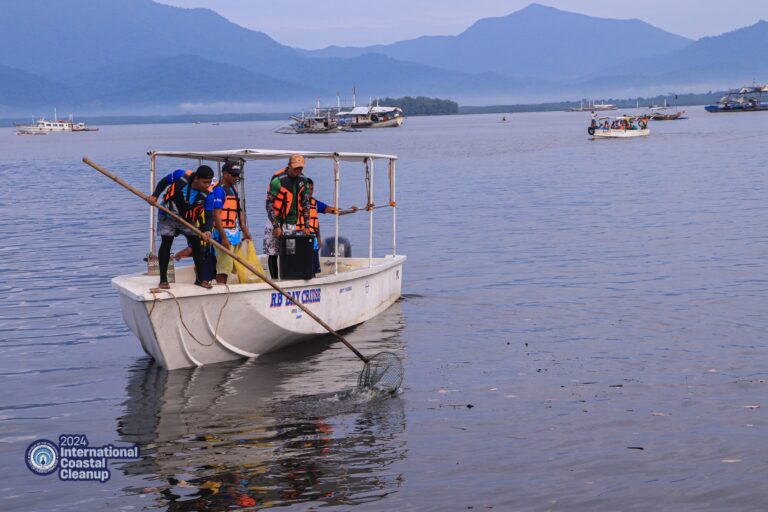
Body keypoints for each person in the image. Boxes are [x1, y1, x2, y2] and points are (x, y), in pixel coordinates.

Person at [148, 165, 214, 289]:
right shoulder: (180, 176)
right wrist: (154, 196)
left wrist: (207, 231)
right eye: (205, 182)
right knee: (166, 243)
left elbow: (209, 215)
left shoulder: (209, 194)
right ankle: (163, 280)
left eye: (209, 182)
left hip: (187, 220)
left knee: (197, 245)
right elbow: (164, 182)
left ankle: (200, 279)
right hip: (167, 215)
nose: (207, 185)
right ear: (196, 179)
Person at [298, 178, 359, 275]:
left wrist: (350, 210)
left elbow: (333, 211)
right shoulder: (294, 204)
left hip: (312, 238)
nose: (310, 192)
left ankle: (313, 280)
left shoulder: (315, 203)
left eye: (312, 189)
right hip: (299, 237)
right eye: (307, 189)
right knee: (301, 263)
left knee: (313, 265)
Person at [264, 154, 311, 279]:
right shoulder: (277, 181)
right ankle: (274, 280)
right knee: (273, 253)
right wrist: (276, 226)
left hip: (291, 222)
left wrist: (307, 225)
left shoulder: (303, 181)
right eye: (296, 168)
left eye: (300, 168)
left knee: (290, 252)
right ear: (289, 165)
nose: (298, 171)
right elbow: (269, 205)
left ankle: (288, 278)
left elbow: (306, 204)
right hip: (275, 220)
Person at [208, 161, 252, 284]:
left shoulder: (233, 189)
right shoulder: (219, 191)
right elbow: (216, 215)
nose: (236, 177)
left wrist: (245, 230)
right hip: (223, 234)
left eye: (237, 175)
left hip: (234, 233)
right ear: (225, 174)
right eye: (233, 175)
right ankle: (221, 289)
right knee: (224, 267)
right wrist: (224, 238)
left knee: (234, 265)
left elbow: (239, 210)